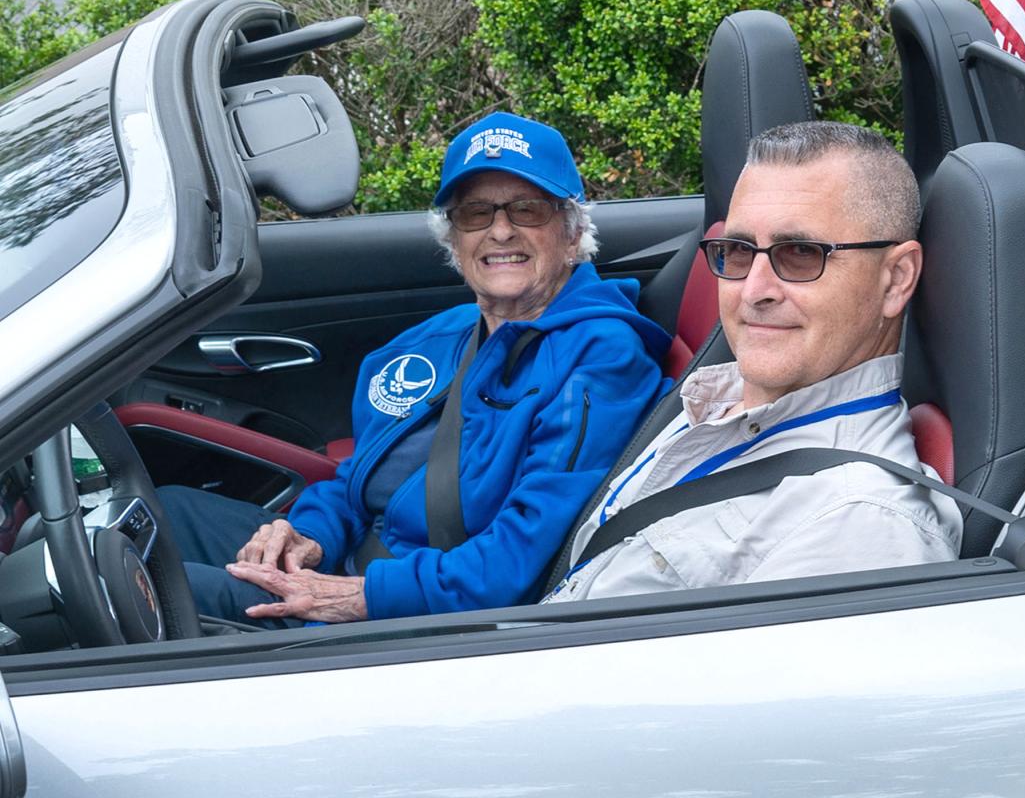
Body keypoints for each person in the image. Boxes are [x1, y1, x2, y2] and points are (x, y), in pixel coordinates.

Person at [163, 112, 670, 626]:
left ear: (572, 232)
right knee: (166, 511)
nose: (500, 231)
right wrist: (309, 537)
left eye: (527, 210)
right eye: (475, 213)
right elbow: (358, 479)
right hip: (364, 562)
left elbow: (519, 561)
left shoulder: (602, 358)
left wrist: (359, 597)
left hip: (426, 613)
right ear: (453, 239)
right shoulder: (439, 338)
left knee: (143, 592)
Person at [544, 121, 962, 603]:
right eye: (739, 252)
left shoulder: (858, 525)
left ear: (896, 278)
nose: (753, 290)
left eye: (801, 253)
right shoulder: (716, 399)